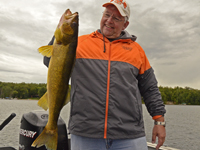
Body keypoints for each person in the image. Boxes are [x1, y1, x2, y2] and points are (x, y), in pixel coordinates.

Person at [44, 0, 166, 150]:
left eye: (116, 18)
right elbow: (49, 61)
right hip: (85, 133)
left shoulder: (137, 51)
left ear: (125, 24)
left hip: (129, 135)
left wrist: (159, 121)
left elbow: (150, 88)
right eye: (107, 15)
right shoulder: (78, 43)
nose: (109, 21)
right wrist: (59, 33)